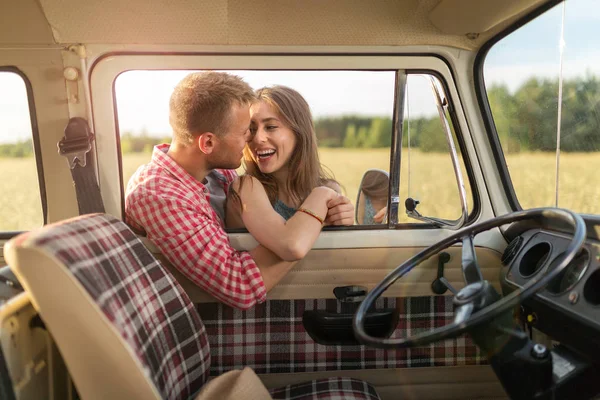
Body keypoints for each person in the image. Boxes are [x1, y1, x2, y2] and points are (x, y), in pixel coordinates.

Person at [125, 72, 348, 310]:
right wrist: (317, 210)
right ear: (208, 143)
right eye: (245, 131)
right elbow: (240, 287)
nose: (252, 139)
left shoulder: (219, 174)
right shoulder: (159, 196)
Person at [225, 85, 354, 259]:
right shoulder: (245, 188)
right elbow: (291, 246)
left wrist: (345, 221)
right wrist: (319, 212)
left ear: (299, 132)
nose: (258, 139)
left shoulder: (329, 187)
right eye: (252, 129)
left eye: (270, 127)